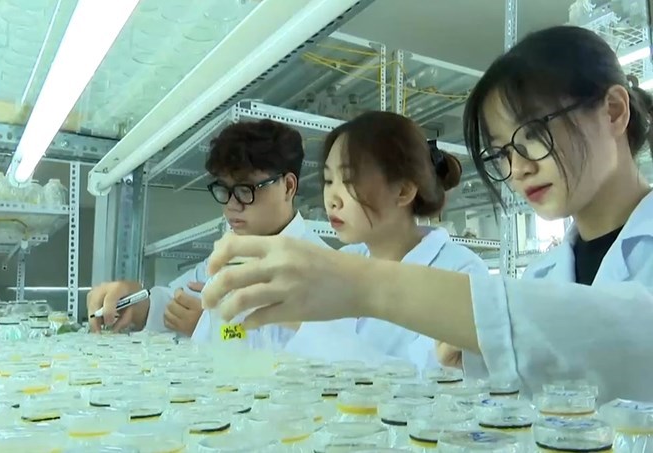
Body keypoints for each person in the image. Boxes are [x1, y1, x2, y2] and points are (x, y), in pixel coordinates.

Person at [200, 25, 653, 401]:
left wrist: (363, 286)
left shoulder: (472, 277)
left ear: (613, 111)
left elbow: (628, 335)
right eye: (502, 152)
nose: (517, 169)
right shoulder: (542, 275)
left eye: (533, 135)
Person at [284, 111, 489, 369]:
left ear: (403, 190)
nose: (331, 199)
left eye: (349, 180)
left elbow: (427, 378)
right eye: (328, 180)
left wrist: (308, 329)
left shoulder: (462, 274)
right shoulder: (343, 263)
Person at [87, 119, 328, 336]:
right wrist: (136, 303)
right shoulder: (231, 254)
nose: (232, 205)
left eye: (245, 190)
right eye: (224, 189)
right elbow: (179, 300)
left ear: (288, 187)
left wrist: (209, 328)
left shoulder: (321, 269)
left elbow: (292, 347)